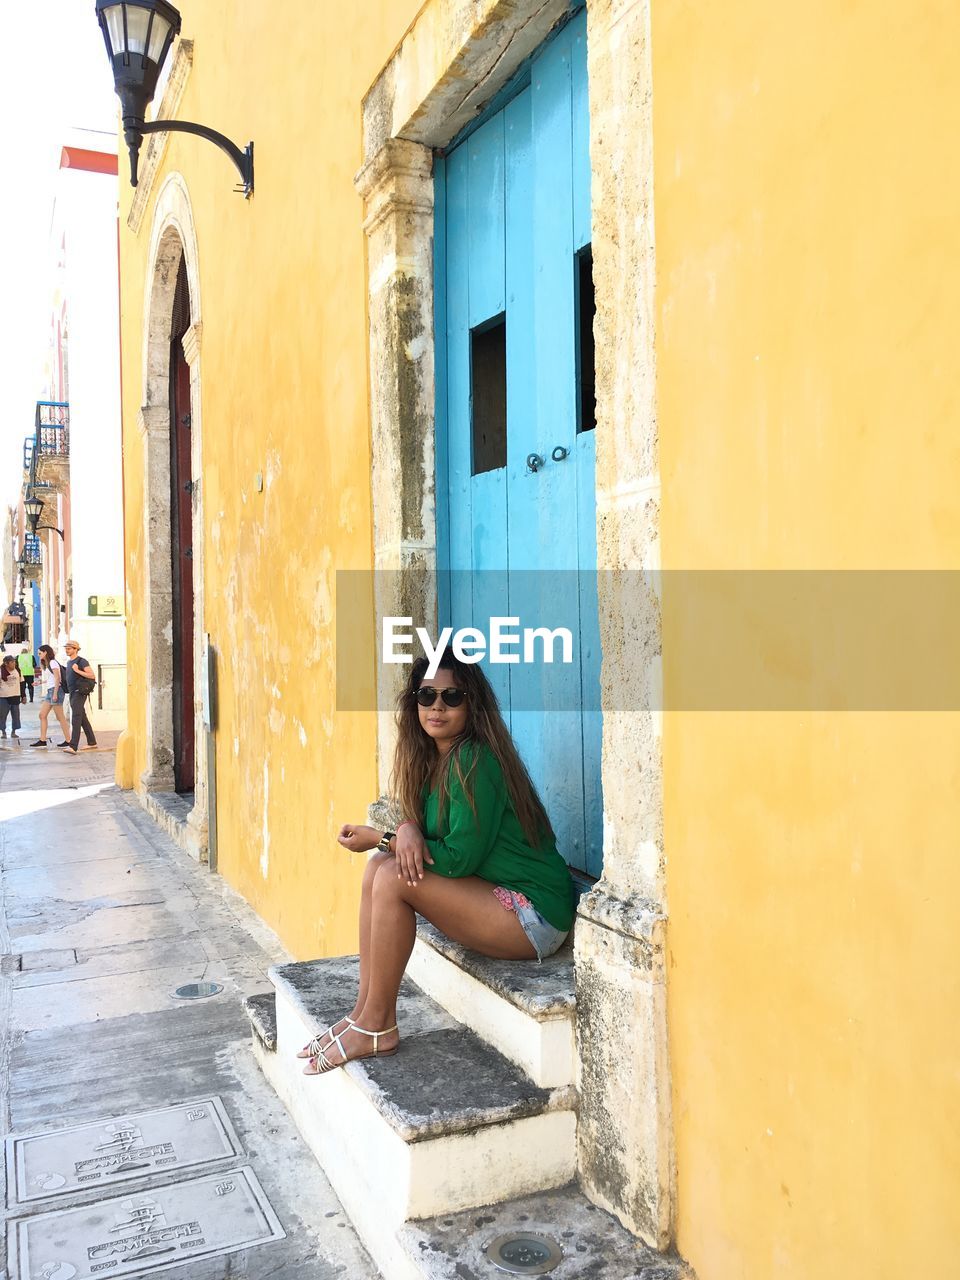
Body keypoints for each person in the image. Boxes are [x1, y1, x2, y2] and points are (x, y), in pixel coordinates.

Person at [298, 647, 576, 1076]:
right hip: (496, 899)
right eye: (426, 697)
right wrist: (406, 827)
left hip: (535, 916)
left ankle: (377, 1025)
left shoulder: (474, 759)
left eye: (452, 697)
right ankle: (362, 1015)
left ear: (472, 703)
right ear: (414, 703)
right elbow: (428, 838)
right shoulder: (434, 760)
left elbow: (457, 859)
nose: (437, 708)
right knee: (378, 869)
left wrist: (383, 837)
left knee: (390, 877)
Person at [62, 639, 98, 754]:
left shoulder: (81, 661)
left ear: (75, 649)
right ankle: (92, 742)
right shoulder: (69, 663)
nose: (67, 650)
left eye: (69, 648)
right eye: (66, 648)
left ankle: (73, 746)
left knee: (76, 718)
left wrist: (78, 671)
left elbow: (92, 675)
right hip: (72, 692)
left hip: (79, 692)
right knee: (82, 718)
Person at [31, 644, 71, 747]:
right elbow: (52, 679)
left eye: (40, 653)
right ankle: (42, 740)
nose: (38, 655)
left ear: (45, 652)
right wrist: (40, 682)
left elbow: (58, 678)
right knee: (42, 715)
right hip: (51, 691)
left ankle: (69, 740)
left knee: (60, 717)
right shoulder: (49, 663)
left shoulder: (53, 662)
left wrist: (55, 694)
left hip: (55, 691)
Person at [0, 654, 23, 739]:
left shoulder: (17, 670)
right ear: (6, 663)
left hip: (15, 696)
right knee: (2, 715)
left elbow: (22, 682)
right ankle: (3, 732)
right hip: (3, 697)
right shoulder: (1, 671)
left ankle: (14, 732)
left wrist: (23, 696)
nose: (14, 664)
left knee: (16, 715)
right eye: (12, 662)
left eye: (14, 662)